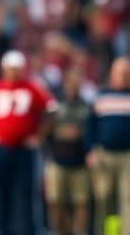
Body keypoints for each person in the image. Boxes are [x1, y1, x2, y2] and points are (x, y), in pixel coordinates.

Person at [0, 50, 56, 235]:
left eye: (17, 69)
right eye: (11, 69)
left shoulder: (33, 87)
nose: (13, 73)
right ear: (4, 69)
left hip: (24, 150)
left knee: (30, 193)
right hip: (2, 148)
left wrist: (39, 136)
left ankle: (32, 230)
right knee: (2, 192)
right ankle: (4, 229)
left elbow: (51, 111)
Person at [86, 57, 130, 235]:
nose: (123, 76)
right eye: (120, 72)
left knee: (127, 198)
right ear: (112, 74)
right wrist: (91, 149)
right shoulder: (101, 96)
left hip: (128, 156)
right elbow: (90, 126)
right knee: (104, 197)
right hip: (104, 155)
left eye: (127, 73)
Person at [44, 68, 91, 235]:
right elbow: (46, 130)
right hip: (58, 158)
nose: (73, 86)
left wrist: (80, 134)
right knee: (56, 201)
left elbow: (92, 131)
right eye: (71, 83)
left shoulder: (87, 106)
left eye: (77, 83)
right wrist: (62, 133)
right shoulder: (56, 105)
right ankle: (59, 231)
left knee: (81, 201)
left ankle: (79, 232)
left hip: (80, 160)